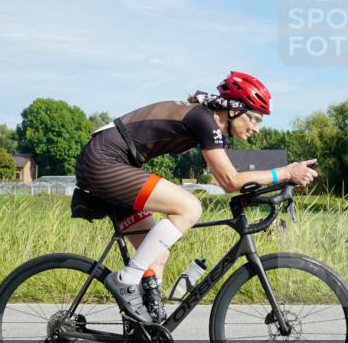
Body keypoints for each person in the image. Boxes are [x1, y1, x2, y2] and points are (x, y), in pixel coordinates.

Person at [74, 70, 318, 325]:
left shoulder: (206, 121)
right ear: (234, 109)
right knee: (189, 207)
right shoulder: (204, 120)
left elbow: (231, 179)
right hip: (104, 161)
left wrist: (282, 179)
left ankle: (147, 334)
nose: (256, 128)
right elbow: (230, 181)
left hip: (113, 162)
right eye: (254, 118)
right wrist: (286, 172)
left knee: (156, 257)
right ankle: (126, 280)